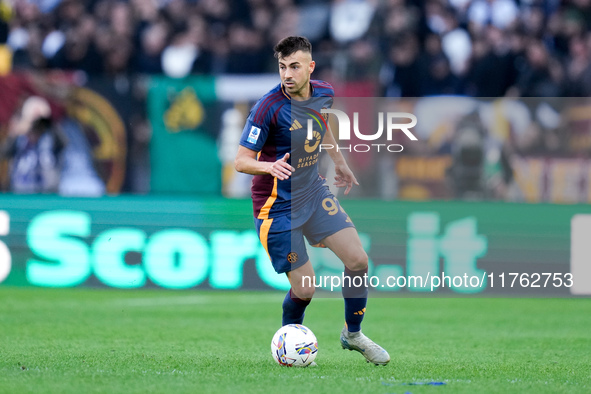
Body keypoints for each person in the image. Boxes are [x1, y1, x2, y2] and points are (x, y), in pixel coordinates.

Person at [234, 36, 390, 366]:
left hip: (314, 192)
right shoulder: (268, 108)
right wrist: (268, 165)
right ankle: (289, 346)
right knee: (306, 289)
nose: (287, 75)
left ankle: (353, 333)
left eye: (294, 67)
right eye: (282, 67)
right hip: (276, 206)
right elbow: (241, 160)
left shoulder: (324, 93)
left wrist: (341, 162)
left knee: (358, 260)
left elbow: (323, 126)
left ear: (309, 67)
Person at [0, 96, 67, 193]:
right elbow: (3, 153)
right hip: (20, 192)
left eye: (41, 125)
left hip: (48, 193)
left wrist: (49, 123)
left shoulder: (51, 138)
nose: (38, 129)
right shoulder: (19, 139)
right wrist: (16, 132)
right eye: (35, 124)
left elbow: (64, 143)